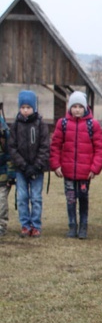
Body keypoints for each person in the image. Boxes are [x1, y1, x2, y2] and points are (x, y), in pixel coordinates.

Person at [49, 91, 102, 239]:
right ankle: (72, 226)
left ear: (85, 107)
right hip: (67, 171)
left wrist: (95, 168)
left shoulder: (92, 125)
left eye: (80, 106)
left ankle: (83, 226)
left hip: (85, 172)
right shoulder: (62, 124)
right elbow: (55, 145)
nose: (77, 109)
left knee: (83, 198)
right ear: (69, 108)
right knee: (70, 199)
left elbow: (100, 149)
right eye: (74, 106)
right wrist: (56, 165)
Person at [8, 90, 49, 238]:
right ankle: (25, 225)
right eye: (23, 107)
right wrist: (24, 166)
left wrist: (36, 166)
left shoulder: (41, 125)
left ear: (34, 108)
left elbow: (45, 147)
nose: (25, 110)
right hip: (21, 169)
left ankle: (35, 225)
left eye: (28, 107)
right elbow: (12, 147)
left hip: (37, 169)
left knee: (36, 198)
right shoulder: (15, 126)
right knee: (22, 197)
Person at [0, 111, 13, 237]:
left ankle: (1, 225)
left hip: (3, 176)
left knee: (1, 202)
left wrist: (11, 175)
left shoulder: (5, 133)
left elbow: (10, 156)